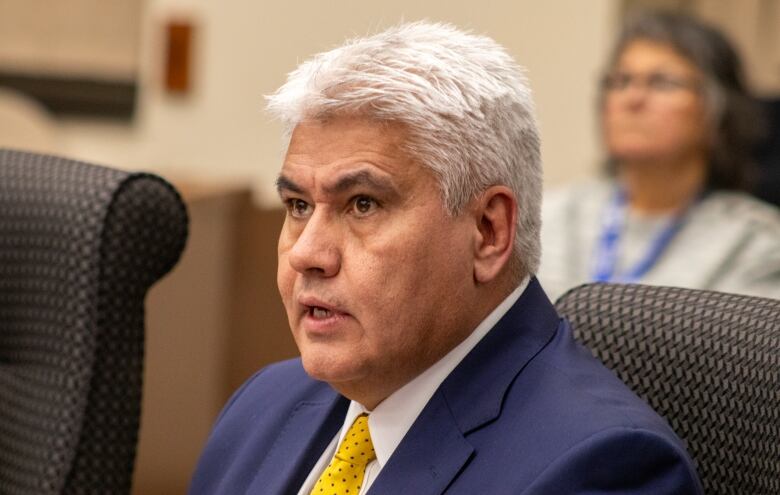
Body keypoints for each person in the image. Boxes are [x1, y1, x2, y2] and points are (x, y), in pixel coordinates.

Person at [189, 22, 702, 494]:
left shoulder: (602, 469)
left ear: (488, 232)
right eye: (298, 206)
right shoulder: (262, 405)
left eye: (362, 204)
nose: (306, 253)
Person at [540, 12, 780, 302]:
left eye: (661, 82)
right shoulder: (547, 216)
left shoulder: (757, 241)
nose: (632, 98)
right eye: (621, 81)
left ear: (718, 111)